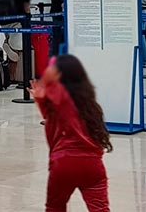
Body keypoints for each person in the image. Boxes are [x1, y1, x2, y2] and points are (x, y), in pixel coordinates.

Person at [29, 55, 112, 212]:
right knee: (101, 209)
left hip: (64, 163)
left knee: (55, 207)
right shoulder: (88, 102)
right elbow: (53, 117)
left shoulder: (60, 97)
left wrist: (44, 88)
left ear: (60, 75)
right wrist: (40, 100)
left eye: (52, 68)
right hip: (93, 165)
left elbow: (56, 109)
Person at [3, 0, 35, 80]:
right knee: (18, 50)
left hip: (3, 21)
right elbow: (26, 4)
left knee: (15, 50)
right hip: (18, 20)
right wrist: (28, 15)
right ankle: (14, 78)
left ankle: (11, 78)